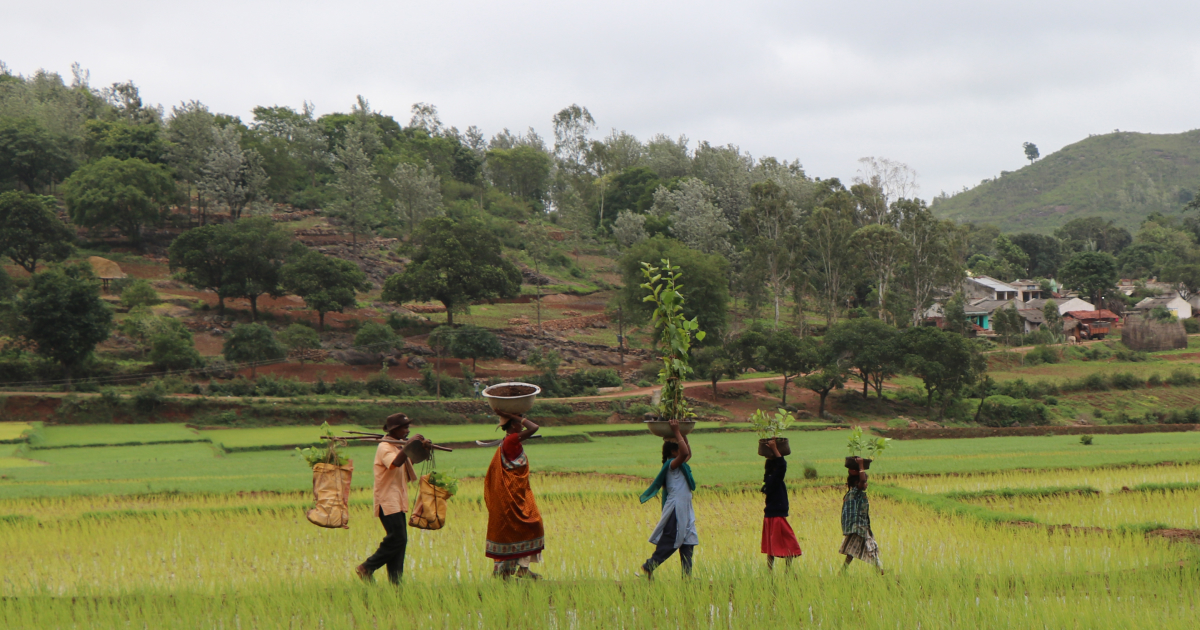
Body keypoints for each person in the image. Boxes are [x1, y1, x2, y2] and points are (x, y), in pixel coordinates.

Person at [355, 413, 431, 584]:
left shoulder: (396, 446)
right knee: (398, 538)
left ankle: (396, 582)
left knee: (399, 541)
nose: (407, 430)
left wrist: (422, 448)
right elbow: (395, 463)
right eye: (405, 428)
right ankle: (367, 567)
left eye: (408, 428)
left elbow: (408, 461)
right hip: (387, 501)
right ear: (395, 430)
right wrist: (408, 445)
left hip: (397, 499)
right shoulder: (385, 447)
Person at [484, 411, 545, 579]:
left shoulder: (511, 440)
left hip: (516, 494)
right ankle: (518, 571)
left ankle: (521, 570)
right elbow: (535, 427)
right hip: (512, 496)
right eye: (519, 423)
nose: (523, 425)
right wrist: (517, 417)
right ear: (513, 425)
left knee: (521, 529)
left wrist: (515, 417)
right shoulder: (511, 440)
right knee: (533, 525)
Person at [637, 418, 697, 579]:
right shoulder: (672, 465)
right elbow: (685, 453)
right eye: (679, 445)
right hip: (676, 507)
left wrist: (683, 434)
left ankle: (687, 576)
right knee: (672, 539)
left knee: (688, 541)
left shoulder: (681, 464)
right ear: (673, 451)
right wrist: (677, 431)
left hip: (686, 507)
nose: (682, 449)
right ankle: (649, 566)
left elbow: (687, 453)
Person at [761, 438, 802, 570]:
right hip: (777, 516)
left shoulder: (769, 478)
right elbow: (782, 466)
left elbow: (779, 466)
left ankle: (769, 571)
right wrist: (774, 448)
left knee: (771, 545)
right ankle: (788, 571)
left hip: (770, 516)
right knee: (790, 543)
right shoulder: (774, 479)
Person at [839, 471, 883, 575]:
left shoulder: (851, 494)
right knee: (871, 547)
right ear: (857, 483)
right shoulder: (856, 493)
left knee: (852, 550)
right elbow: (862, 480)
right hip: (859, 527)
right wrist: (861, 465)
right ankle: (879, 570)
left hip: (858, 526)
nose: (866, 484)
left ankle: (842, 571)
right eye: (865, 482)